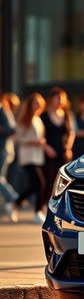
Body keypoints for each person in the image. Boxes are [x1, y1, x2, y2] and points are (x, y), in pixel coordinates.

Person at [14, 93, 47, 223]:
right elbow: (18, 138)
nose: (37, 106)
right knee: (40, 183)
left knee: (35, 184)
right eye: (35, 103)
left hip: (38, 155)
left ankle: (15, 203)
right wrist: (31, 141)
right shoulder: (24, 119)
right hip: (28, 156)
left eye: (39, 103)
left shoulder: (38, 120)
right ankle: (37, 212)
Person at [41, 87, 75, 202]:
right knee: (49, 180)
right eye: (57, 98)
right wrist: (46, 148)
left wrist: (69, 148)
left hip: (63, 152)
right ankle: (45, 205)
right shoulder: (43, 116)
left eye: (62, 98)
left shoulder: (66, 114)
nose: (59, 101)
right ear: (51, 99)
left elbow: (71, 133)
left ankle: (60, 204)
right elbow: (40, 135)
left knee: (63, 181)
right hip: (49, 153)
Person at [0, 93, 18, 222]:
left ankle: (12, 197)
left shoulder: (3, 111)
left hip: (3, 150)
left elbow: (12, 130)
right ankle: (8, 204)